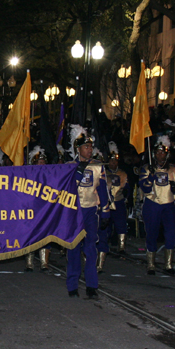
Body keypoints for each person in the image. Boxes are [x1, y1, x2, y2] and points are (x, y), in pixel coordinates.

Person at [67, 125, 109, 299]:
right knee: (73, 249)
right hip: (74, 213)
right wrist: (78, 171)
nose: (90, 149)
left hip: (91, 211)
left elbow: (103, 191)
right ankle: (72, 286)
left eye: (91, 147)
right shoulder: (69, 167)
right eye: (86, 147)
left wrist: (105, 212)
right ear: (78, 149)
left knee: (91, 248)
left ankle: (92, 286)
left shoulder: (98, 167)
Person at [138, 136, 175, 275]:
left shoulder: (173, 170)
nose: (159, 155)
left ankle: (168, 264)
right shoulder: (147, 168)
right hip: (153, 203)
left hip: (168, 204)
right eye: (157, 152)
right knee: (151, 233)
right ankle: (151, 264)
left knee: (171, 233)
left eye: (162, 152)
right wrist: (151, 177)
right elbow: (144, 187)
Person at [103, 141, 129, 262]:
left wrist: (127, 197)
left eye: (115, 161)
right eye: (111, 161)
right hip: (107, 202)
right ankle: (104, 244)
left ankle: (121, 246)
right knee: (106, 225)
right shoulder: (103, 173)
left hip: (118, 202)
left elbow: (127, 188)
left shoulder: (122, 174)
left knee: (121, 224)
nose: (113, 163)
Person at [24, 145, 49, 272]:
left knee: (45, 234)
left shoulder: (50, 176)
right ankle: (29, 262)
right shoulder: (28, 176)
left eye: (44, 162)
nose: (42, 164)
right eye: (40, 162)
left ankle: (44, 262)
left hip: (45, 209)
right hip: (32, 209)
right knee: (31, 234)